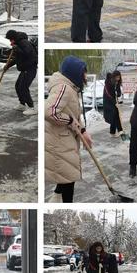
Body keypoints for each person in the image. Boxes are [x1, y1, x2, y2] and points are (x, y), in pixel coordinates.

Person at [45, 56, 93, 202]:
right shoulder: (64, 88)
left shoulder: (70, 88)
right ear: (74, 73)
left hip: (64, 138)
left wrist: (83, 131)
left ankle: (56, 200)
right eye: (83, 73)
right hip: (59, 141)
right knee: (68, 177)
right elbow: (50, 112)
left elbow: (73, 113)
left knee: (65, 175)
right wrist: (71, 121)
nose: (85, 76)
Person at [4, 30, 38, 116]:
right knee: (18, 86)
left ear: (14, 38)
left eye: (10, 40)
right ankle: (22, 104)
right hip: (24, 69)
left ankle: (32, 107)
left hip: (30, 68)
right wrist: (8, 66)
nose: (10, 42)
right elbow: (17, 59)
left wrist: (17, 48)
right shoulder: (18, 43)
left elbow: (27, 54)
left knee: (23, 87)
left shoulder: (24, 42)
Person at [103, 70, 124, 138]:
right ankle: (119, 131)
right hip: (108, 101)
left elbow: (118, 91)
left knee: (115, 115)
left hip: (114, 101)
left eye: (119, 77)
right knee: (114, 115)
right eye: (117, 77)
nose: (118, 79)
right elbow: (108, 94)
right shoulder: (108, 82)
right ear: (114, 76)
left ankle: (114, 132)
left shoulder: (117, 82)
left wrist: (118, 94)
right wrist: (114, 102)